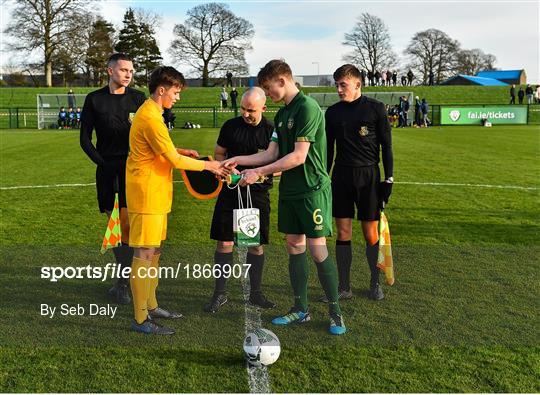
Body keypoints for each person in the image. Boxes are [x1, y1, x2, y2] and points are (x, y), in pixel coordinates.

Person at [223, 59, 346, 335]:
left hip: (312, 190)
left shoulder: (308, 108)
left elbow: (298, 157)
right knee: (294, 246)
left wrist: (259, 173)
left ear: (282, 80)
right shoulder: (281, 115)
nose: (268, 94)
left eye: (269, 88)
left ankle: (335, 311)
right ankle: (300, 309)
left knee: (317, 249)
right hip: (290, 191)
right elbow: (270, 153)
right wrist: (238, 160)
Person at [126, 66, 229, 335]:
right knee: (144, 253)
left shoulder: (153, 115)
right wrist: (210, 167)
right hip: (147, 195)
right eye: (176, 92)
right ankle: (140, 318)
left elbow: (162, 150)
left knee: (154, 251)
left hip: (156, 193)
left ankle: (151, 305)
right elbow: (171, 160)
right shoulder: (149, 116)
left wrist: (179, 149)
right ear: (162, 90)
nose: (178, 97)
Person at [80, 53, 146, 304]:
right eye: (123, 70)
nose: (128, 74)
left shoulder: (138, 98)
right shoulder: (94, 99)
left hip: (133, 170)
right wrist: (102, 163)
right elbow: (84, 138)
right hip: (107, 170)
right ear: (109, 71)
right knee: (116, 228)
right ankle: (123, 282)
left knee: (129, 226)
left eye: (131, 70)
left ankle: (124, 282)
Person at [325, 64, 393, 301]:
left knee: (370, 233)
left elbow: (387, 146)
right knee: (343, 232)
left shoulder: (375, 109)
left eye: (342, 84)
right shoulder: (332, 113)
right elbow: (329, 150)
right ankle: (344, 287)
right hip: (341, 177)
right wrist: (325, 176)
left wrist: (389, 178)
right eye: (336, 85)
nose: (339, 89)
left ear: (357, 84)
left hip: (369, 178)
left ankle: (375, 283)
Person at [204, 87, 276, 313]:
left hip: (256, 195)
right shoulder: (230, 126)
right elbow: (219, 152)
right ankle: (220, 293)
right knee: (225, 242)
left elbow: (283, 165)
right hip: (230, 193)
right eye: (243, 108)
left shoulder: (272, 131)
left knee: (254, 245)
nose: (245, 113)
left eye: (251, 110)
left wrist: (259, 174)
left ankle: (256, 294)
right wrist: (222, 168)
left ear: (264, 108)